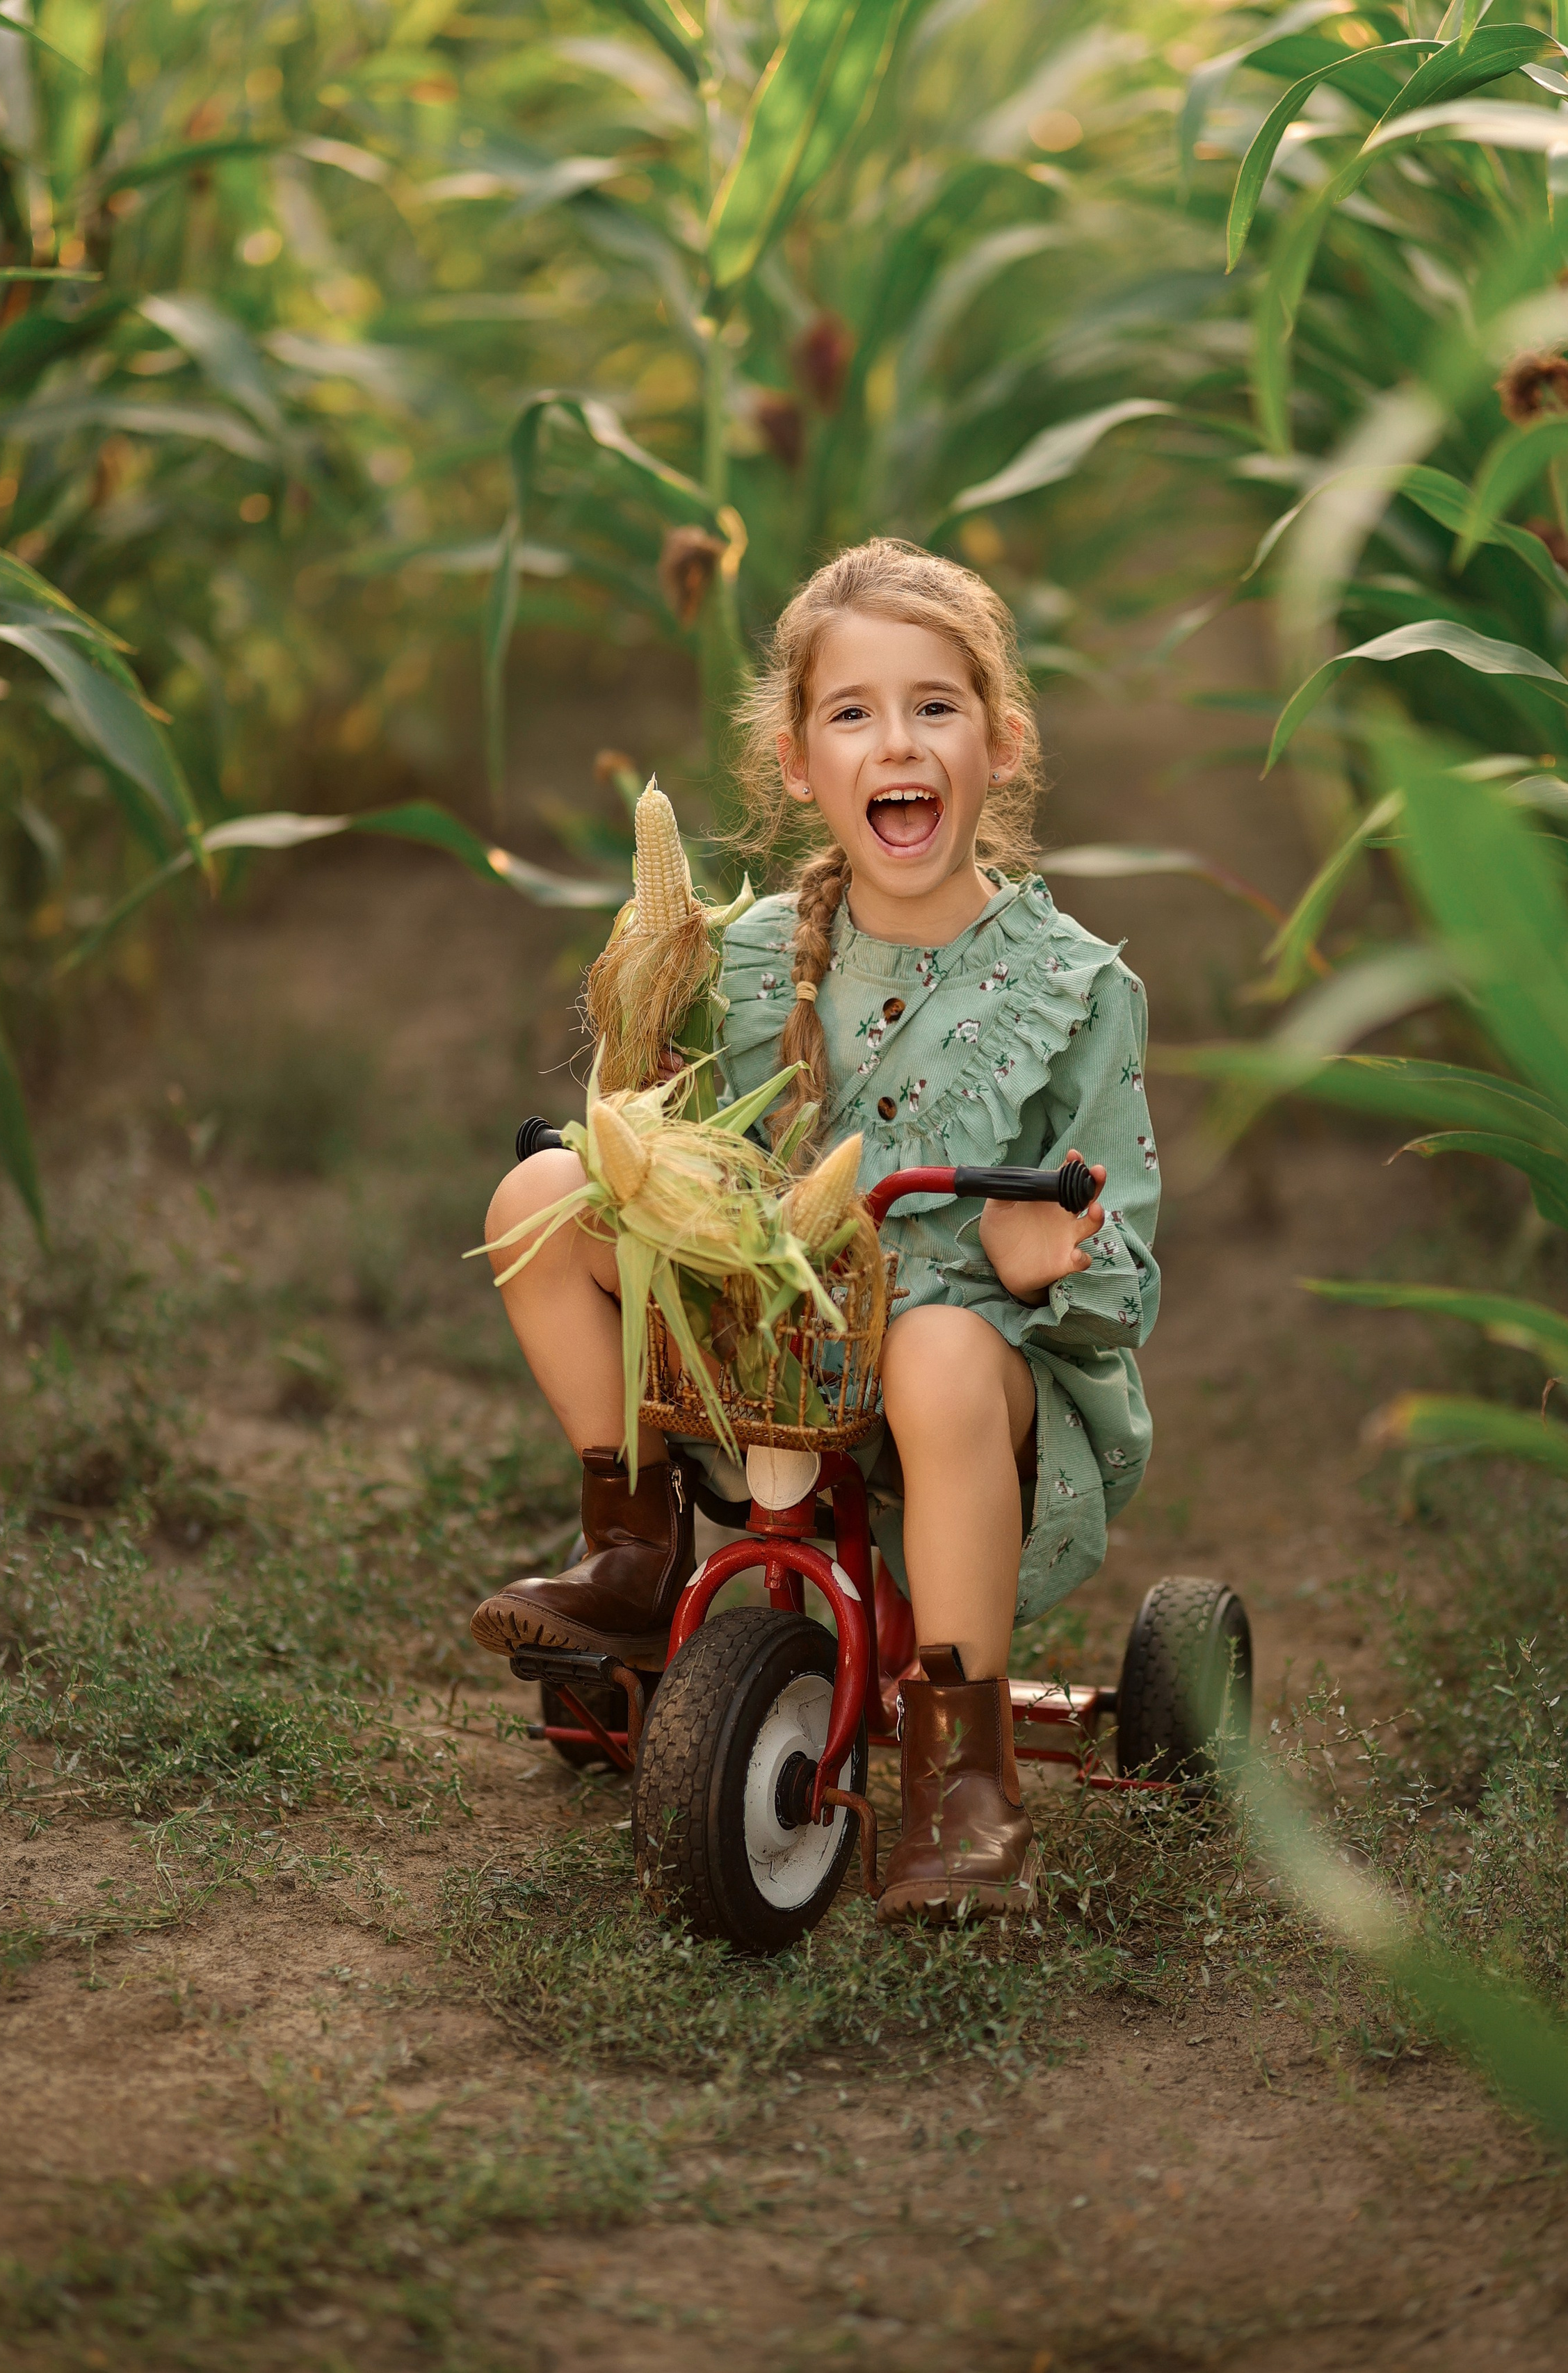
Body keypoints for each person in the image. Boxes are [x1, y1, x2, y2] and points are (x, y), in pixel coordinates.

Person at [469, 538, 1160, 1925]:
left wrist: (1051, 1263)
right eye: (851, 713)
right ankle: (636, 1545)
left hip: (969, 1376)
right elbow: (681, 1160)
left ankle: (966, 1784)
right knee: (535, 1204)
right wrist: (640, 1095)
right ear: (797, 762)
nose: (891, 741)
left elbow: (1123, 1258)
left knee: (939, 1349)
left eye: (933, 707)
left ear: (999, 742)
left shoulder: (1072, 987)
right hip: (766, 1349)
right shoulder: (742, 956)